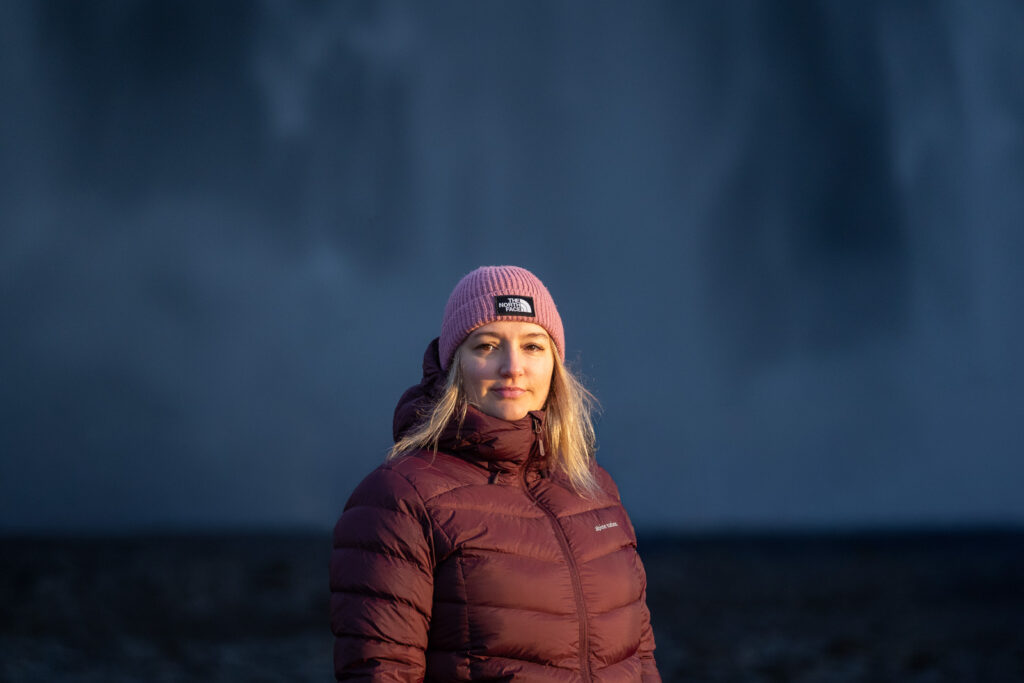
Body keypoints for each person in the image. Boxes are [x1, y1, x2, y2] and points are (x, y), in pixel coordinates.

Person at [330, 265, 660, 681]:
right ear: (454, 366)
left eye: (534, 347)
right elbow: (381, 672)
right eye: (487, 346)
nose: (513, 367)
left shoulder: (595, 490)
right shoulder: (400, 498)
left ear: (556, 366)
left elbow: (641, 659)